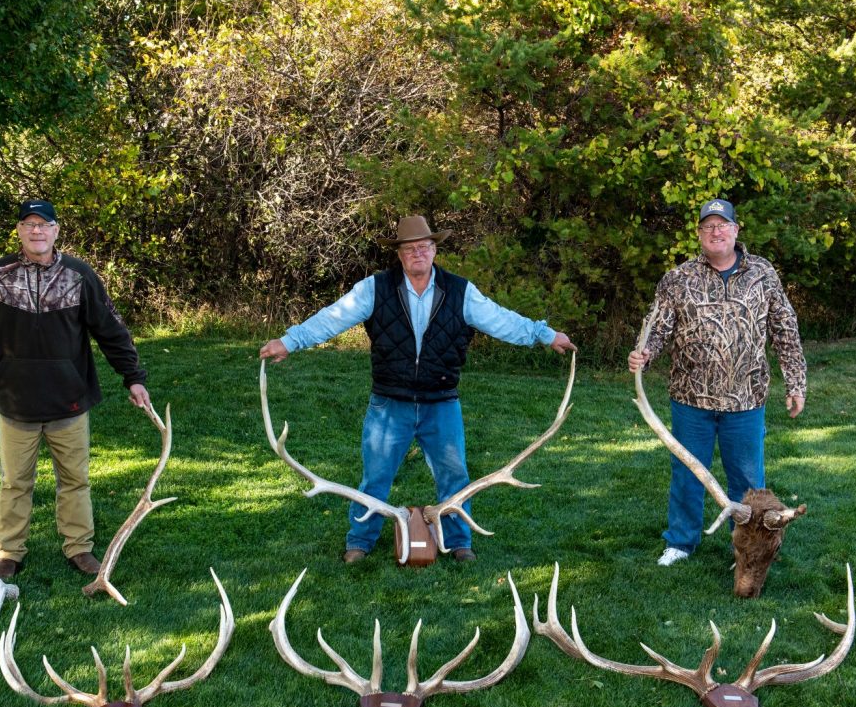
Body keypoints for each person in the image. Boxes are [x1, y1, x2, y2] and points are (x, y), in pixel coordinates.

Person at [260, 215, 577, 563]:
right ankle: (359, 543)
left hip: (440, 402)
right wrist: (291, 341)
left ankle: (459, 543)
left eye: (424, 247)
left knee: (455, 478)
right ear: (399, 254)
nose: (418, 254)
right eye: (410, 249)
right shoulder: (374, 289)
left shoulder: (460, 292)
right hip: (388, 404)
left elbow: (502, 321)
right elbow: (332, 318)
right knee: (375, 479)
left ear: (434, 250)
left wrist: (545, 335)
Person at [0, 200, 151, 580]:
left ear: (57, 231)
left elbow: (111, 330)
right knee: (14, 482)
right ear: (20, 231)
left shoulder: (79, 275)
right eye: (29, 224)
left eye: (44, 224)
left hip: (69, 400)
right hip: (16, 401)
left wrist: (133, 377)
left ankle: (79, 548)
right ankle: (9, 552)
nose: (37, 231)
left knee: (75, 479)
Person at [628, 199, 807, 567]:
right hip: (690, 399)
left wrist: (796, 383)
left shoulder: (763, 274)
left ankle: (745, 547)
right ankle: (680, 542)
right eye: (708, 226)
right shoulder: (678, 279)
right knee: (688, 472)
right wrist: (644, 353)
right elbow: (658, 327)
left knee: (746, 480)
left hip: (746, 400)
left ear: (736, 230)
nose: (716, 231)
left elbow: (785, 330)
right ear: (699, 234)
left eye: (722, 224)